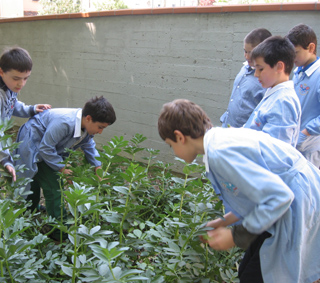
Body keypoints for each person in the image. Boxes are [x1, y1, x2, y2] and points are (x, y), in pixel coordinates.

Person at [158, 99, 320, 283]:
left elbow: (279, 197)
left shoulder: (219, 152)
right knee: (247, 271)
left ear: (180, 136)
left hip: (297, 203)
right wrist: (224, 221)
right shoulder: (219, 140)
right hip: (289, 201)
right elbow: (255, 194)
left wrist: (234, 237)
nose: (173, 151)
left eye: (170, 145)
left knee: (264, 275)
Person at [15, 96, 116, 239]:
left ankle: (31, 212)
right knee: (54, 186)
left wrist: (98, 167)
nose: (100, 132)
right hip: (34, 145)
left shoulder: (84, 126)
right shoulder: (64, 122)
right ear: (88, 118)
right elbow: (46, 148)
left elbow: (89, 145)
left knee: (35, 179)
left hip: (47, 146)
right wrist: (62, 168)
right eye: (100, 127)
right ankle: (59, 232)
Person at [0, 47, 51, 181]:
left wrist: (31, 110)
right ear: (1, 72)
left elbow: (12, 104)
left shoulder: (9, 86)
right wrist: (5, 159)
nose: (21, 83)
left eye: (25, 78)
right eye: (16, 78)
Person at [243, 36, 301, 147]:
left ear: (279, 67)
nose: (256, 74)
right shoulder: (273, 92)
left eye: (260, 69)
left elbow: (275, 153)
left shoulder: (283, 101)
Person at [220, 28, 272, 128]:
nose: (247, 56)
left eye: (251, 52)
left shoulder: (266, 79)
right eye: (245, 51)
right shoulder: (244, 68)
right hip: (229, 127)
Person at [286, 23, 320, 167]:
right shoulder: (298, 72)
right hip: (294, 145)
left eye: (296, 52)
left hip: (309, 149)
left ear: (311, 48)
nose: (292, 58)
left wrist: (306, 132)